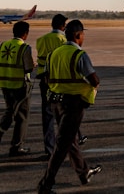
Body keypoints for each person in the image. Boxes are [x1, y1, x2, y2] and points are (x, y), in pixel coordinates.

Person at [37, 20, 102, 194]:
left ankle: (83, 173)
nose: (84, 38)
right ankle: (45, 184)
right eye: (83, 35)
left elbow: (46, 79)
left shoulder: (53, 54)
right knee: (61, 146)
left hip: (56, 103)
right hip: (73, 105)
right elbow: (94, 79)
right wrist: (90, 90)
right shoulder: (79, 55)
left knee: (70, 140)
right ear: (77, 35)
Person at [35, 14, 67, 159]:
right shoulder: (63, 40)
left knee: (47, 115)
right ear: (62, 26)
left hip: (44, 80)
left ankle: (49, 148)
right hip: (59, 81)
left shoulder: (41, 40)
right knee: (64, 114)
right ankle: (66, 145)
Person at [0, 21, 34, 156]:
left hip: (5, 84)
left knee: (9, 111)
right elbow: (28, 67)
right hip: (19, 86)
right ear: (25, 34)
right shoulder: (24, 47)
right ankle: (16, 146)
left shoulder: (3, 45)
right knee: (21, 116)